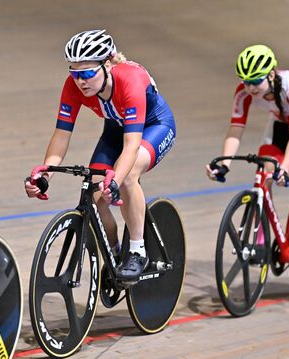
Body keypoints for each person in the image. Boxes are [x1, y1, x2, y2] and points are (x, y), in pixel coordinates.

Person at [25, 30, 177, 283]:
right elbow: (61, 135)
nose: (80, 81)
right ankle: (115, 255)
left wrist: (115, 180)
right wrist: (45, 174)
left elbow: (131, 147)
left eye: (86, 73)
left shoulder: (130, 80)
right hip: (116, 130)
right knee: (95, 198)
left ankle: (138, 251)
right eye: (74, 74)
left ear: (107, 65)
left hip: (154, 126)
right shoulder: (73, 87)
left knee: (127, 177)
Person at [206, 44, 289, 258]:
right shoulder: (243, 94)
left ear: (271, 74)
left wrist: (285, 168)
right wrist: (225, 165)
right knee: (263, 175)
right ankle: (261, 244)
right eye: (246, 81)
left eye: (256, 81)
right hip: (280, 125)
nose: (250, 87)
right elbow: (235, 129)